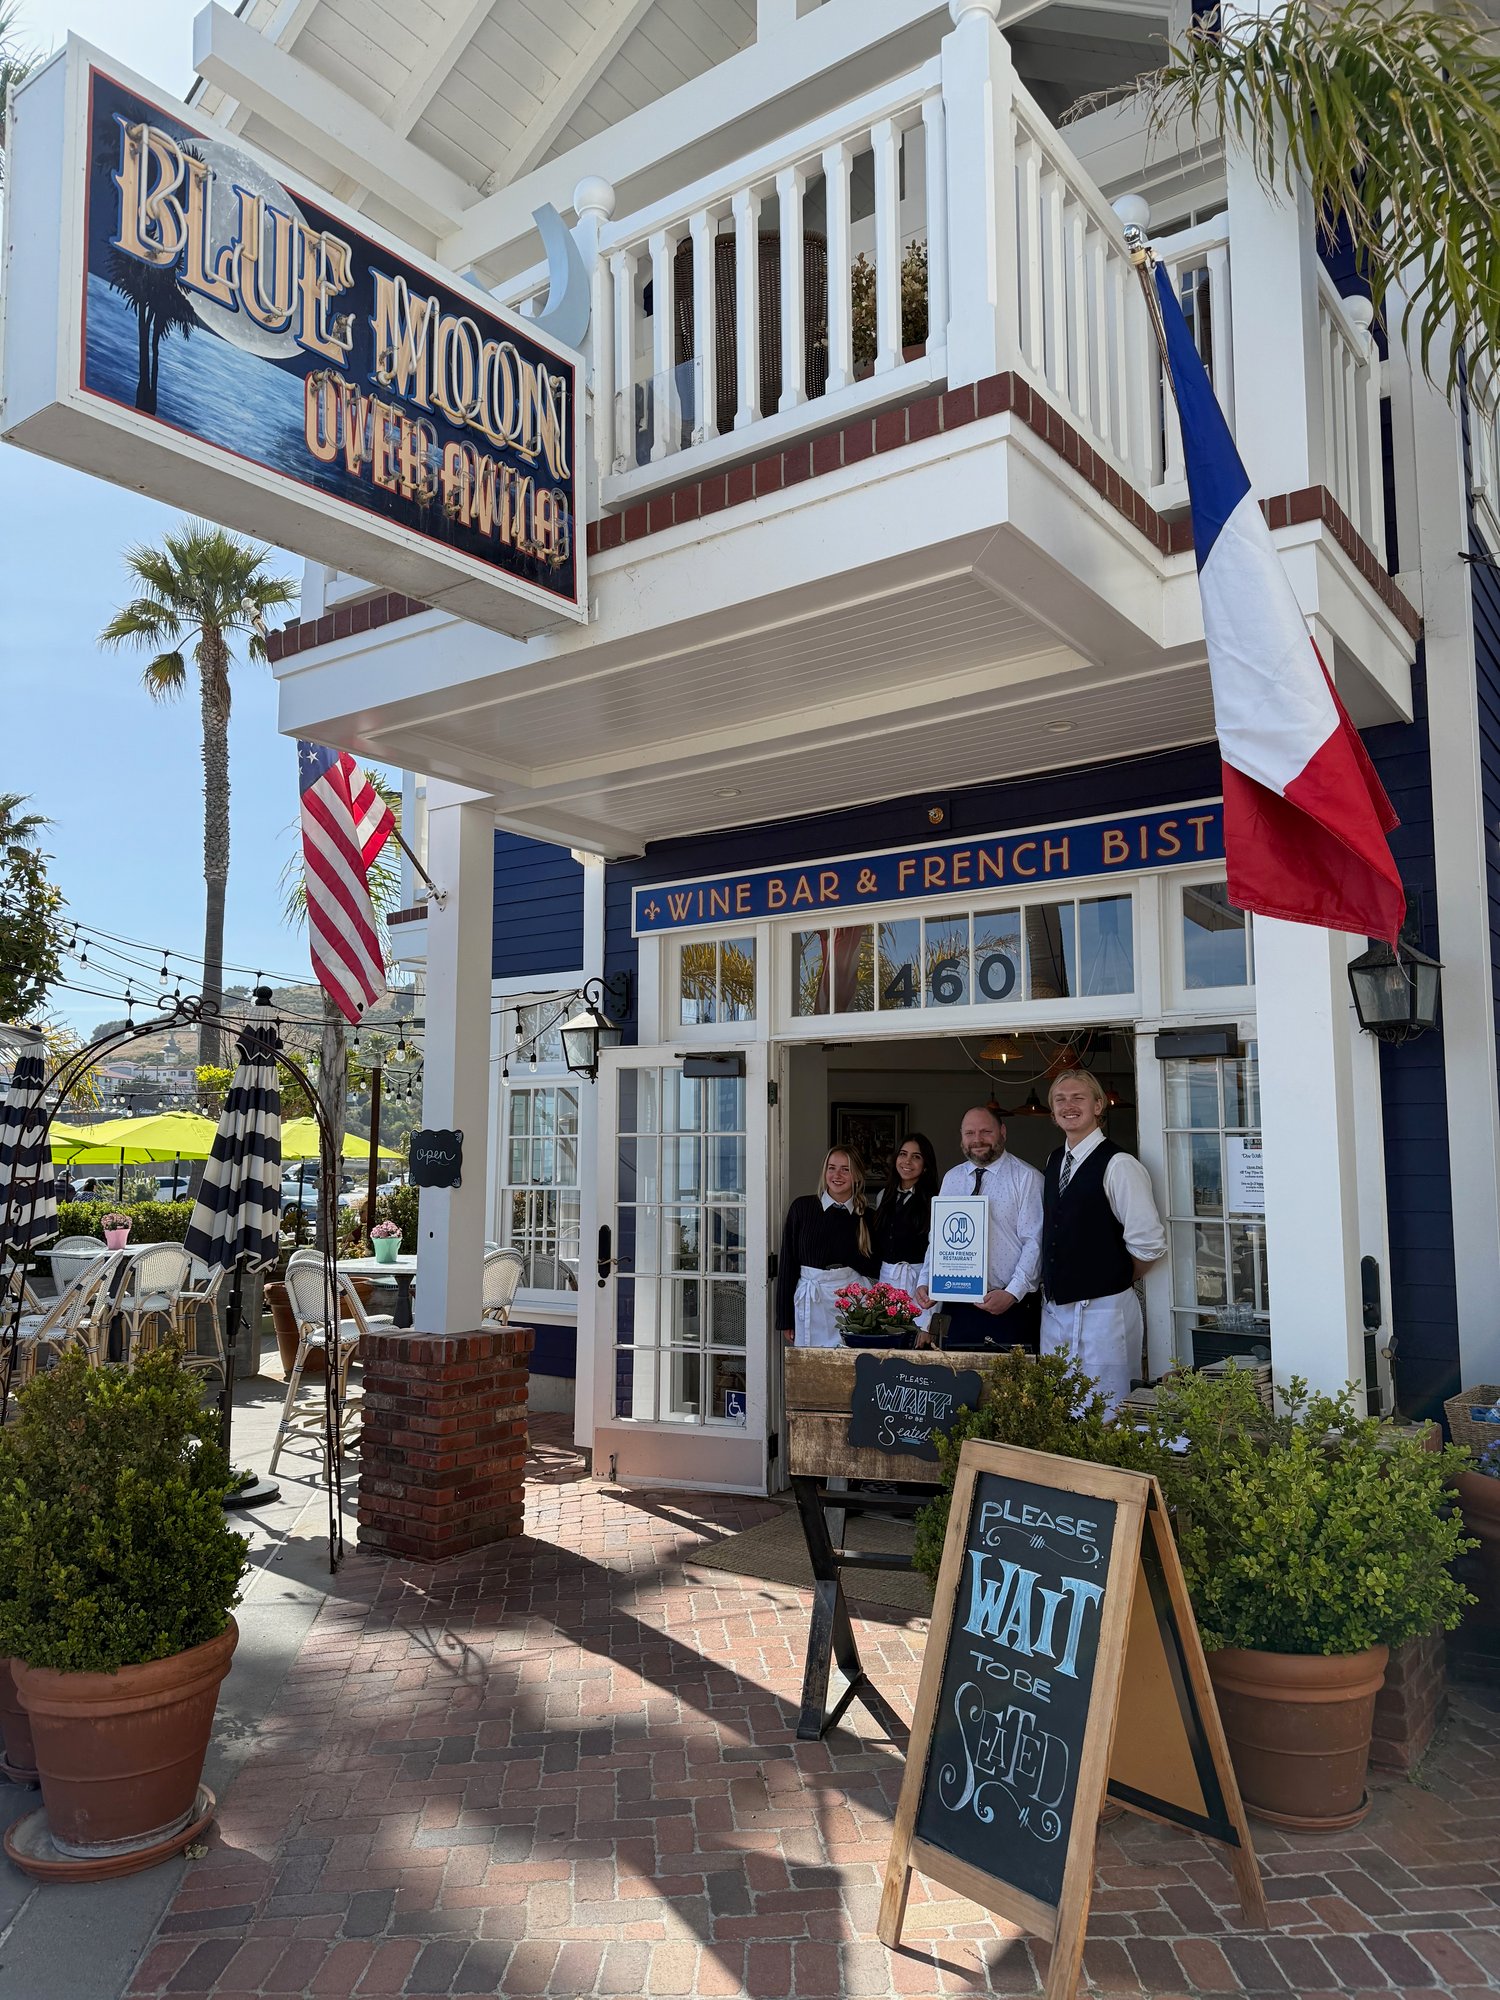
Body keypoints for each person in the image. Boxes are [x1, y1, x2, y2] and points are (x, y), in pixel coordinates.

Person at [1039, 1068, 1167, 1411]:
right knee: (1059, 1406)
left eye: (1078, 1097)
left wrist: (1112, 1277)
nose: (1069, 1105)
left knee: (1105, 1407)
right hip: (1056, 1310)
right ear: (1052, 1112)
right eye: (1060, 1099)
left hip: (1104, 1313)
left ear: (1098, 1105)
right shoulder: (1053, 1161)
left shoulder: (1120, 1165)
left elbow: (1150, 1244)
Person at [916, 1106, 1043, 1351]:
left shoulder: (1027, 1178)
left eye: (986, 1131)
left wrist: (1012, 1293)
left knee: (1009, 1388)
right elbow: (939, 1239)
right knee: (957, 1384)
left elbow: (1034, 1242)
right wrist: (927, 1281)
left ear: (1002, 1132)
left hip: (1009, 1306)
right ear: (961, 1136)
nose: (977, 1140)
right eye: (970, 1133)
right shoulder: (952, 1178)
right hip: (958, 1307)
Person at [777, 1146, 880, 1348]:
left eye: (845, 1169)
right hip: (811, 1300)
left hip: (853, 1304)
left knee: (849, 1368)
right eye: (831, 1168)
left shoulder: (867, 1216)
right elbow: (788, 1264)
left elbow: (875, 1267)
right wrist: (785, 1318)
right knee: (811, 1369)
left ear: (857, 1175)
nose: (837, 1175)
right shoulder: (802, 1208)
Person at [875, 1131, 939, 1308]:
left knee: (917, 1333)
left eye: (916, 1157)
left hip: (919, 1282)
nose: (907, 1161)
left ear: (925, 1164)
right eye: (903, 1154)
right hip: (887, 1279)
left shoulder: (934, 1201)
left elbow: (936, 1251)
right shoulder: (884, 1196)